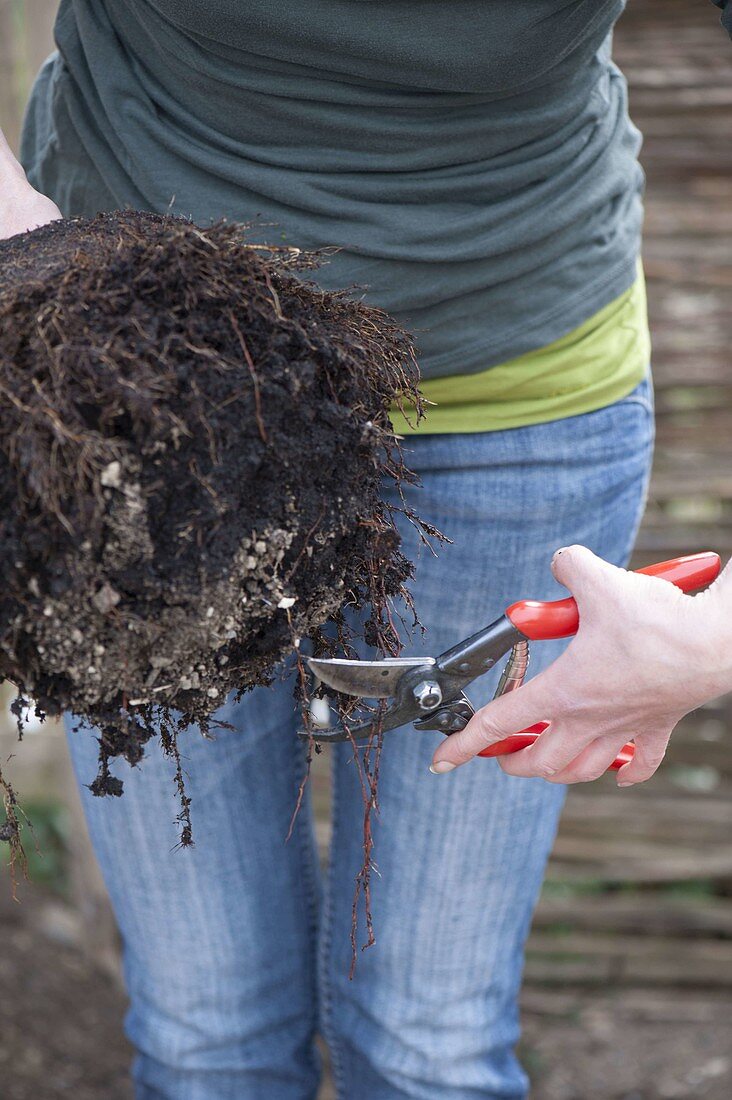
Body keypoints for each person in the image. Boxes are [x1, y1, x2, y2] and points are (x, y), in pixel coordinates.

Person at [1, 3, 730, 1098]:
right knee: (207, 1038)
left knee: (430, 1045)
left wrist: (717, 638)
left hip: (514, 395)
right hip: (135, 382)